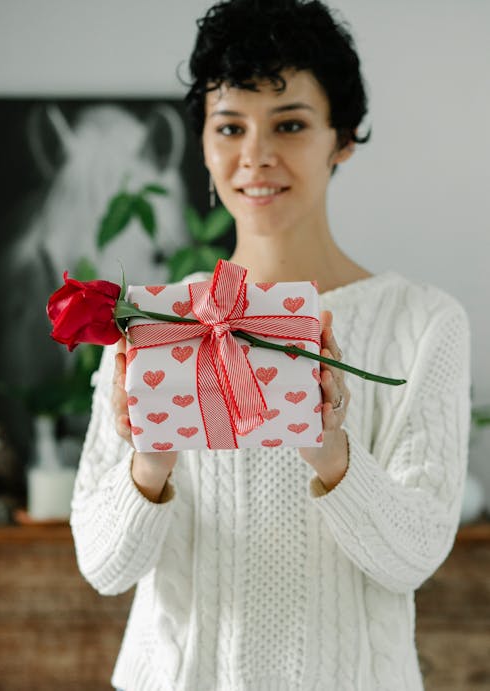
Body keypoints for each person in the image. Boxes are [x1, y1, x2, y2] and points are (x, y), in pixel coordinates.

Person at [70, 1, 471, 689]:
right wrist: (150, 463)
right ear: (204, 142)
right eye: (230, 127)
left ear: (341, 139)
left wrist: (332, 451)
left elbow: (415, 556)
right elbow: (103, 566)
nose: (255, 155)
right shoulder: (155, 321)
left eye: (290, 124)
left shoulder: (425, 322)